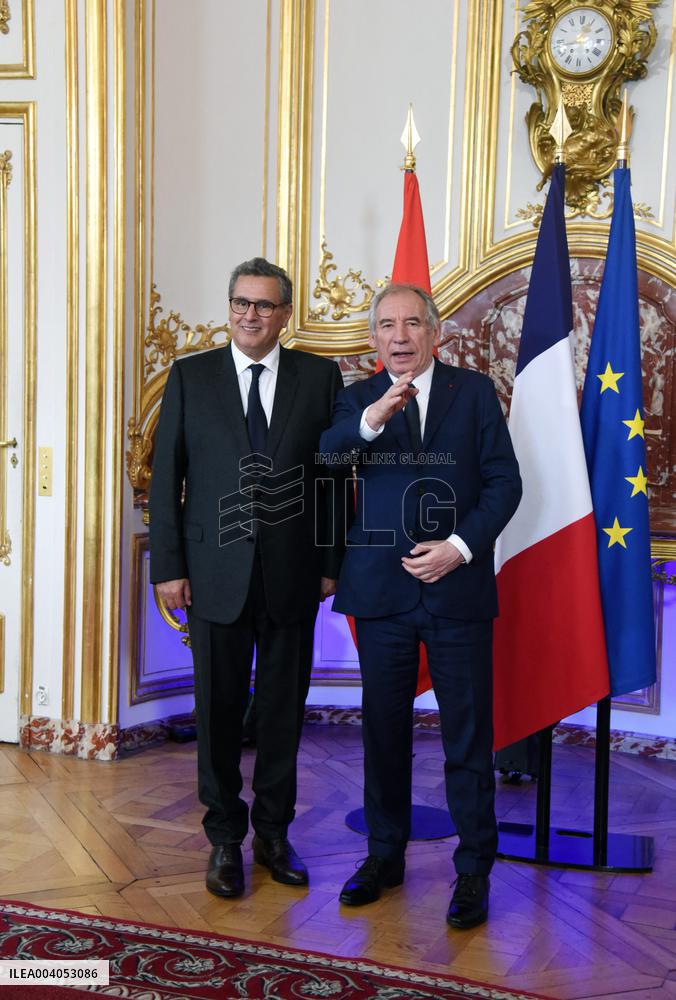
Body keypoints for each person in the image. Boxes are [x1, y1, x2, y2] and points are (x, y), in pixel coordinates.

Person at [319, 283, 521, 929]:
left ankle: (473, 871)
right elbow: (329, 457)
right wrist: (373, 418)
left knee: (467, 735)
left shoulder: (475, 392)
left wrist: (458, 548)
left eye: (412, 323)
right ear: (374, 337)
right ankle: (384, 857)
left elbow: (505, 482)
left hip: (457, 592)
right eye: (387, 325)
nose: (400, 335)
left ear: (435, 332)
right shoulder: (357, 398)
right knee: (383, 733)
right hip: (381, 595)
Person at [150, 257, 344, 899]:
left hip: (293, 575)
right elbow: (167, 478)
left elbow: (332, 480)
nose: (250, 315)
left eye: (264, 305)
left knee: (283, 714)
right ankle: (225, 839)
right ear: (228, 306)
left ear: (285, 314)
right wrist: (169, 567)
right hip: (213, 574)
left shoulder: (319, 377)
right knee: (218, 712)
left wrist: (330, 563)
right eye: (241, 303)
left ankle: (274, 836)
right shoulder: (190, 376)